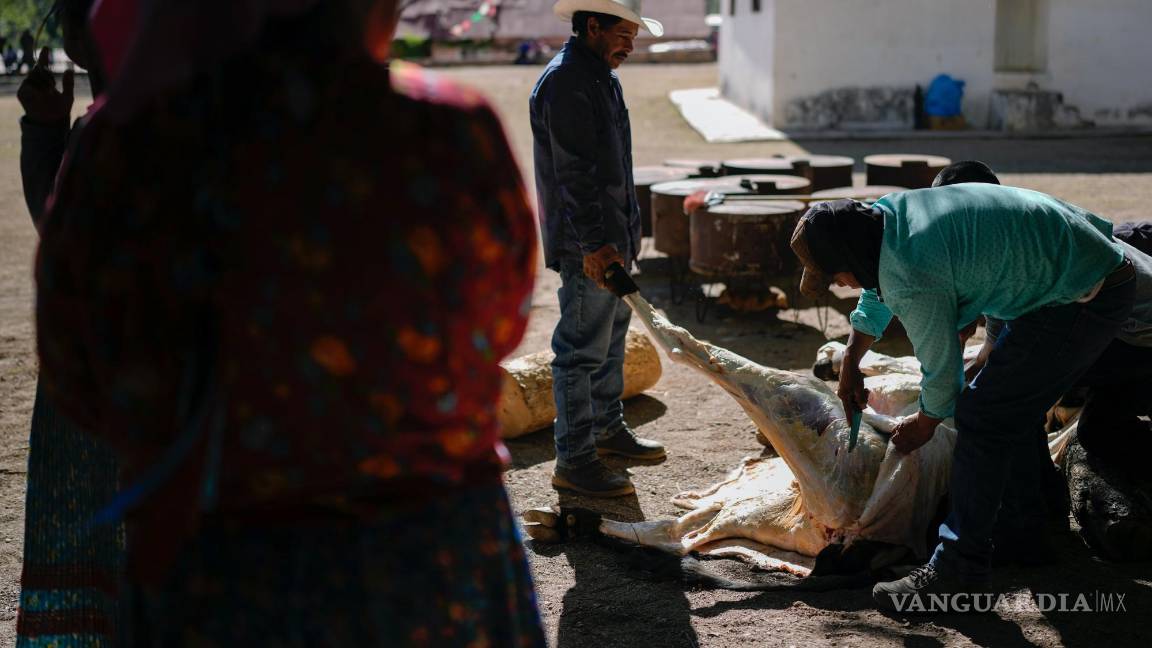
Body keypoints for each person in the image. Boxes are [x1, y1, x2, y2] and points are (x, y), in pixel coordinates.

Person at [36, 0, 546, 644]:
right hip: (433, 570)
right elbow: (502, 321)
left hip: (214, 580)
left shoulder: (129, 148)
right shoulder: (446, 129)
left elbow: (76, 369)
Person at [789, 184, 1151, 611]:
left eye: (837, 276)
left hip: (1084, 290)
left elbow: (943, 377)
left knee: (983, 415)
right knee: (1007, 401)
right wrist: (851, 357)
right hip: (1068, 273)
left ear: (852, 256)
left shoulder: (912, 272)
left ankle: (958, 567)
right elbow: (875, 284)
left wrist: (924, 423)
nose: (840, 285)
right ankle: (1025, 530)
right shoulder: (886, 218)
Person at [16, 2, 124, 646]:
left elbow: (61, 239)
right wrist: (47, 130)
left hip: (99, 393)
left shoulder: (112, 132)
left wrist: (44, 131)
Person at [530, 0, 667, 498]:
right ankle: (575, 459)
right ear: (593, 26)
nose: (630, 45)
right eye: (624, 34)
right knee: (580, 352)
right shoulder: (567, 81)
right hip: (589, 244)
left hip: (612, 238)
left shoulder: (600, 76)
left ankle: (608, 430)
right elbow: (574, 175)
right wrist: (594, 245)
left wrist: (623, 237)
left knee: (609, 343)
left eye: (634, 36)